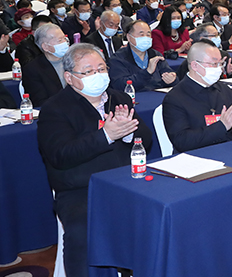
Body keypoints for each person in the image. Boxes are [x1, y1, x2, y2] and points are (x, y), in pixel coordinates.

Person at [37, 43, 152, 277]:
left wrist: (128, 133)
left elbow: (146, 139)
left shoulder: (119, 98)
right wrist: (106, 135)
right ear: (69, 77)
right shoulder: (55, 108)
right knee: (84, 231)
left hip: (126, 181)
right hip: (82, 189)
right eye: (88, 71)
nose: (97, 75)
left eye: (101, 69)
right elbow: (61, 155)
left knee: (163, 212)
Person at [162, 41, 232, 153]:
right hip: (195, 157)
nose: (219, 69)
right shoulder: (175, 98)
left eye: (221, 63)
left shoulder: (224, 90)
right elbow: (182, 141)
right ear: (195, 65)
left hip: (226, 151)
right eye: (214, 64)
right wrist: (222, 126)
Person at [108, 21, 179, 92]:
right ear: (129, 37)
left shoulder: (155, 54)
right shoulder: (118, 59)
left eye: (148, 34)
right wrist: (147, 72)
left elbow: (169, 75)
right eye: (141, 35)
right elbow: (120, 85)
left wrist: (172, 79)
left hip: (157, 95)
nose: (145, 37)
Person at [22, 24, 70, 106]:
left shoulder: (74, 60)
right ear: (45, 47)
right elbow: (40, 101)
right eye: (59, 40)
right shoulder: (33, 70)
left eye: (65, 38)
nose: (65, 43)